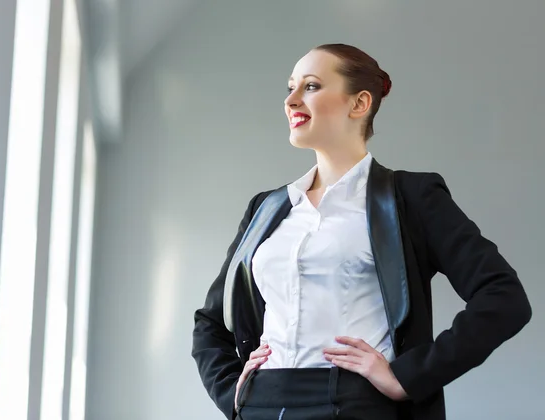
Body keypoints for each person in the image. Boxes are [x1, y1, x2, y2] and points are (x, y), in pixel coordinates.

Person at [191, 44, 532, 420]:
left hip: (354, 404)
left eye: (311, 86)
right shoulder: (266, 208)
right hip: (263, 403)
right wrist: (231, 392)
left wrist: (409, 377)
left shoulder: (411, 198)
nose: (291, 100)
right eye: (290, 88)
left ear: (359, 103)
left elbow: (504, 298)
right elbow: (209, 320)